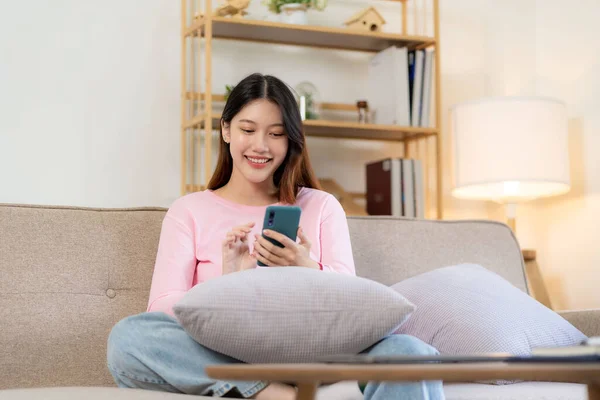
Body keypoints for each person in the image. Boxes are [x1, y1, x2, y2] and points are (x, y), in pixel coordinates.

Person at [106, 73, 445, 400]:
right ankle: (273, 393)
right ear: (225, 129)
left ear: (291, 139)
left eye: (276, 133)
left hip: (319, 356)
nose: (260, 146)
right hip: (228, 358)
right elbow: (162, 308)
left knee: (410, 352)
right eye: (247, 129)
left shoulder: (322, 206)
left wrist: (307, 268)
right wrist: (227, 285)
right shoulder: (189, 210)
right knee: (129, 337)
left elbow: (353, 300)